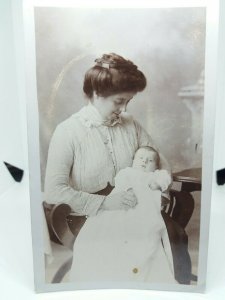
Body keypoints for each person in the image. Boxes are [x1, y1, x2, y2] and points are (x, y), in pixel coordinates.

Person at [44, 53, 191, 284]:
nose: (123, 109)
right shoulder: (68, 132)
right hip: (87, 215)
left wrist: (159, 186)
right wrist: (104, 202)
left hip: (135, 210)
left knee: (174, 236)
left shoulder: (130, 124)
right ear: (96, 94)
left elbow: (158, 157)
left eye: (127, 102)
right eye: (119, 101)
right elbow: (54, 191)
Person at [70, 146, 176, 283]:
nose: (144, 162)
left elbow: (165, 177)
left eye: (150, 160)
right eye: (141, 158)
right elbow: (121, 181)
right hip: (121, 204)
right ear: (133, 161)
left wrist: (158, 184)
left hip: (143, 211)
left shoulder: (154, 176)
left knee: (145, 234)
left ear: (156, 166)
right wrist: (129, 188)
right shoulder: (128, 172)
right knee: (106, 226)